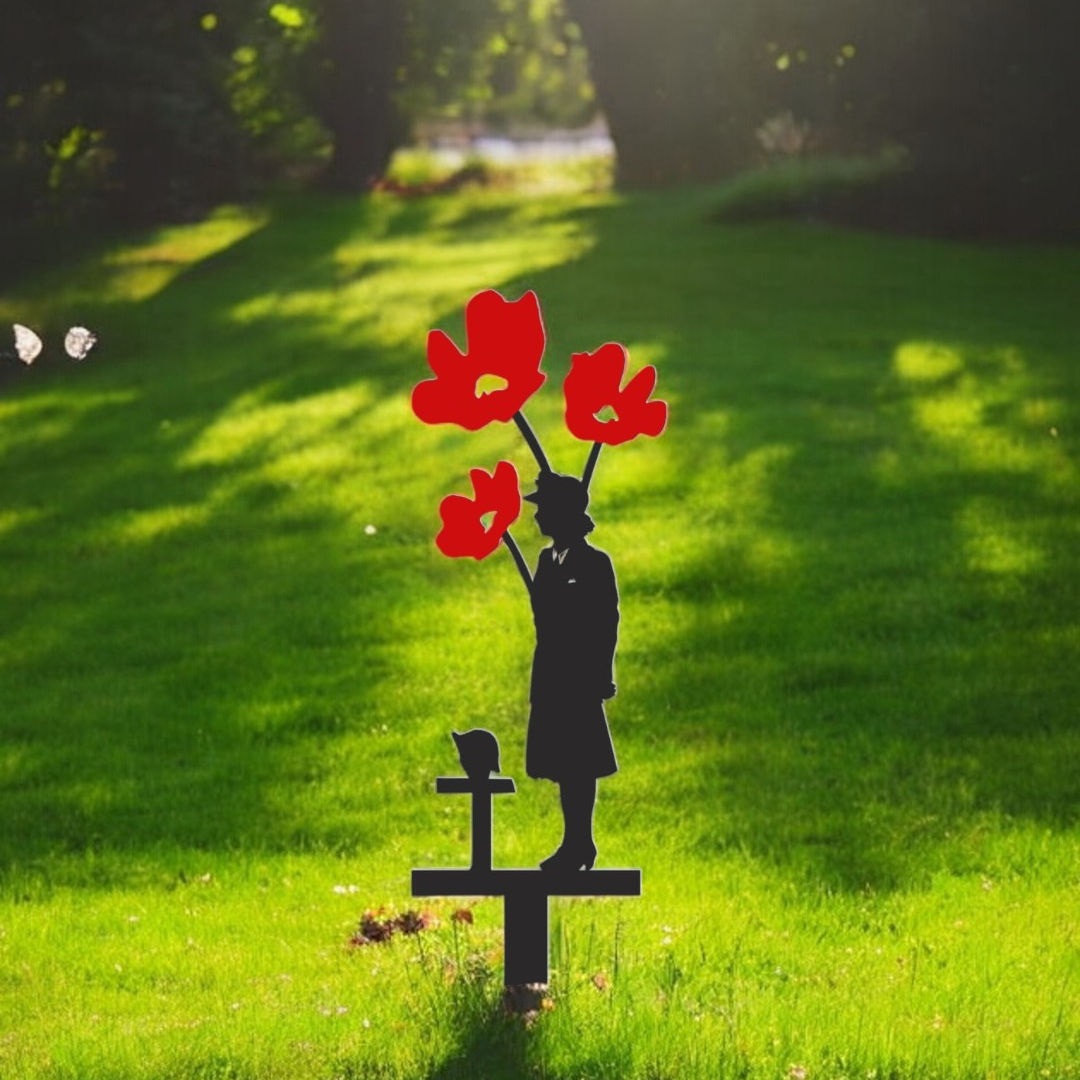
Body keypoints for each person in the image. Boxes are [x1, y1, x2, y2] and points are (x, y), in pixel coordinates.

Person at [523, 471, 619, 871]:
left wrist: (601, 672)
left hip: (579, 679)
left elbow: (605, 621)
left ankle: (582, 842)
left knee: (580, 762)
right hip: (552, 677)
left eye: (543, 509)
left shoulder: (594, 563)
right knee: (563, 763)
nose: (537, 517)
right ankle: (573, 842)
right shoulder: (547, 560)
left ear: (562, 514)